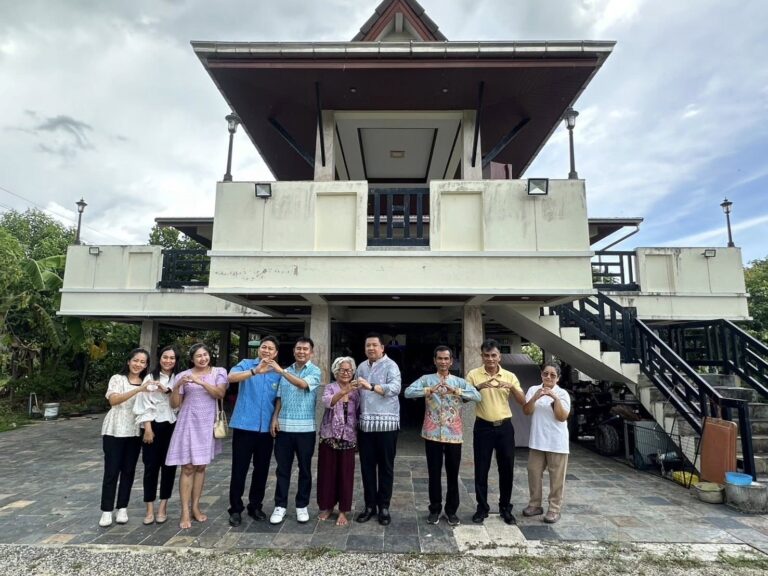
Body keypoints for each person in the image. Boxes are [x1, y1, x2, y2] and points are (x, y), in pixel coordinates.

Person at [405, 346, 480, 526]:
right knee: (434, 474)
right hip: (432, 434)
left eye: (446, 359)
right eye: (440, 358)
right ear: (434, 360)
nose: (443, 362)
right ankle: (434, 509)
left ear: (451, 361)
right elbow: (408, 392)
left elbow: (478, 396)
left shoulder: (459, 382)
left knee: (453, 474)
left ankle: (452, 511)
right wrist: (428, 390)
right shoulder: (426, 379)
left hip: (454, 434)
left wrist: (457, 391)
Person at [165, 343, 228, 529]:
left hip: (207, 423)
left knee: (201, 466)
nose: (203, 358)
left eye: (205, 354)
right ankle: (184, 511)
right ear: (192, 359)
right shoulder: (182, 375)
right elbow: (174, 404)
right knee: (187, 467)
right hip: (188, 422)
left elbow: (220, 393)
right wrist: (177, 386)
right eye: (198, 356)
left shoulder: (219, 372)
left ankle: (196, 507)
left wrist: (200, 382)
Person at [466, 338, 525, 525]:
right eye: (486, 355)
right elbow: (464, 398)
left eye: (493, 355)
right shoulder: (474, 374)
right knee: (481, 468)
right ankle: (482, 508)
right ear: (481, 356)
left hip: (505, 427)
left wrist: (512, 387)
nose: (490, 359)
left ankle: (505, 508)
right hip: (483, 427)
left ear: (500, 356)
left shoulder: (509, 376)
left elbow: (523, 401)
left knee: (506, 468)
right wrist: (479, 387)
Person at [226, 336, 282, 527]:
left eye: (271, 349)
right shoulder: (246, 364)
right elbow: (230, 377)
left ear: (276, 353)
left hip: (265, 429)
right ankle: (235, 509)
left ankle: (255, 506)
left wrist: (275, 418)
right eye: (264, 347)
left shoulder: (277, 372)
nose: (266, 351)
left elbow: (279, 398)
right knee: (239, 469)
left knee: (262, 469)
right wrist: (254, 371)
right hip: (244, 426)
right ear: (259, 349)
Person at [269, 337, 322, 524]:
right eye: (298, 348)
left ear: (311, 352)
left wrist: (281, 371)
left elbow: (302, 384)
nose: (301, 352)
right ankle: (280, 506)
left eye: (305, 349)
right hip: (284, 428)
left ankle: (302, 505)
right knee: (282, 469)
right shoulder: (286, 370)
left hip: (306, 429)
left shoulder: (315, 371)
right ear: (294, 351)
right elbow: (280, 397)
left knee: (305, 469)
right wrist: (275, 418)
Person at [98, 348, 152, 527]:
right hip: (114, 430)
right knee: (111, 471)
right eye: (135, 360)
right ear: (128, 361)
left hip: (134, 431)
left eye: (142, 362)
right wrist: (139, 390)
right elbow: (113, 400)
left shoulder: (147, 382)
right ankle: (106, 510)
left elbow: (149, 406)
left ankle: (122, 507)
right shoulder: (117, 379)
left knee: (129, 470)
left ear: (146, 365)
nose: (138, 364)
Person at [355, 332, 401, 526]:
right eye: (368, 345)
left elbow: (395, 388)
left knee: (386, 467)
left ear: (382, 348)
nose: (371, 348)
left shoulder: (391, 365)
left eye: (374, 345)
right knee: (366, 468)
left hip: (387, 425)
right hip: (365, 425)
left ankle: (384, 507)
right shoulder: (361, 367)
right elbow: (356, 392)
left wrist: (372, 386)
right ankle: (369, 506)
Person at [134, 345, 180, 525]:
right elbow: (143, 403)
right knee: (150, 467)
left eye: (172, 358)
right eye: (165, 357)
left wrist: (168, 390)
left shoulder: (179, 378)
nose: (168, 361)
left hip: (172, 425)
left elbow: (180, 403)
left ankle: (163, 508)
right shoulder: (150, 378)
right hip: (152, 425)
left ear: (176, 360)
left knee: (169, 467)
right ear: (159, 358)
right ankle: (149, 509)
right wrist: (147, 427)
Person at [522, 363, 571, 524]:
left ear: (558, 378)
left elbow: (561, 417)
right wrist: (536, 397)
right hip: (537, 441)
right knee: (533, 473)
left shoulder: (562, 393)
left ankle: (554, 509)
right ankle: (535, 504)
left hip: (557, 442)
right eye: (545, 374)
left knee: (556, 478)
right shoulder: (533, 389)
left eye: (552, 375)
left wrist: (554, 398)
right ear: (541, 375)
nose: (548, 377)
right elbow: (527, 411)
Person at [317, 356, 360, 526]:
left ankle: (343, 510)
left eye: (349, 370)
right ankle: (327, 507)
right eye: (342, 370)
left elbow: (359, 410)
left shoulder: (356, 391)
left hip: (348, 436)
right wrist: (343, 391)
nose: (346, 373)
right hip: (329, 436)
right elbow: (328, 402)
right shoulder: (330, 387)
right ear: (336, 371)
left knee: (345, 474)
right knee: (327, 473)